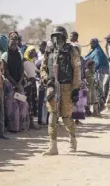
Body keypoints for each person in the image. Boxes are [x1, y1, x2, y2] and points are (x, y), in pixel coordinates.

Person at [40, 26, 80, 155]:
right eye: (54, 36)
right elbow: (43, 68)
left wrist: (75, 89)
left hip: (67, 87)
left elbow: (76, 70)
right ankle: (53, 146)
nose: (56, 39)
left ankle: (73, 140)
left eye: (59, 36)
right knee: (52, 116)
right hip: (52, 87)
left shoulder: (71, 50)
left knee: (66, 117)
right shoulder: (49, 51)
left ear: (64, 37)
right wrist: (46, 79)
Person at [2, 33, 29, 132]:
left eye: (15, 43)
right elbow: (5, 72)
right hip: (10, 85)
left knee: (23, 103)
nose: (13, 45)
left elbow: (22, 70)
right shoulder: (5, 55)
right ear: (8, 44)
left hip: (19, 83)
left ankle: (21, 126)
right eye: (11, 43)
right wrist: (14, 84)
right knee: (11, 106)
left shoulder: (19, 54)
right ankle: (12, 128)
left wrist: (19, 83)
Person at [85, 38, 109, 113]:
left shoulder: (97, 52)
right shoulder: (94, 51)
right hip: (95, 72)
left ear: (96, 43)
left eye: (92, 43)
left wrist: (91, 69)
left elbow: (97, 63)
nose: (91, 44)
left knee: (97, 89)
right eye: (90, 43)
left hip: (98, 72)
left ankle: (100, 105)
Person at [23, 46, 39, 130]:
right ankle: (28, 123)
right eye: (31, 52)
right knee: (27, 103)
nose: (32, 54)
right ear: (27, 52)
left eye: (34, 52)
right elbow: (23, 73)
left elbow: (35, 71)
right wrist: (28, 79)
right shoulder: (24, 62)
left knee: (32, 103)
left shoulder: (32, 62)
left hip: (33, 85)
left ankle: (31, 122)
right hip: (27, 85)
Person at [36, 41, 48, 126]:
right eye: (40, 46)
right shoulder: (36, 54)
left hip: (46, 79)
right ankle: (40, 120)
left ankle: (46, 120)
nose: (41, 48)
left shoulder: (48, 55)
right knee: (40, 102)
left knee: (46, 101)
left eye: (43, 46)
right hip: (38, 80)